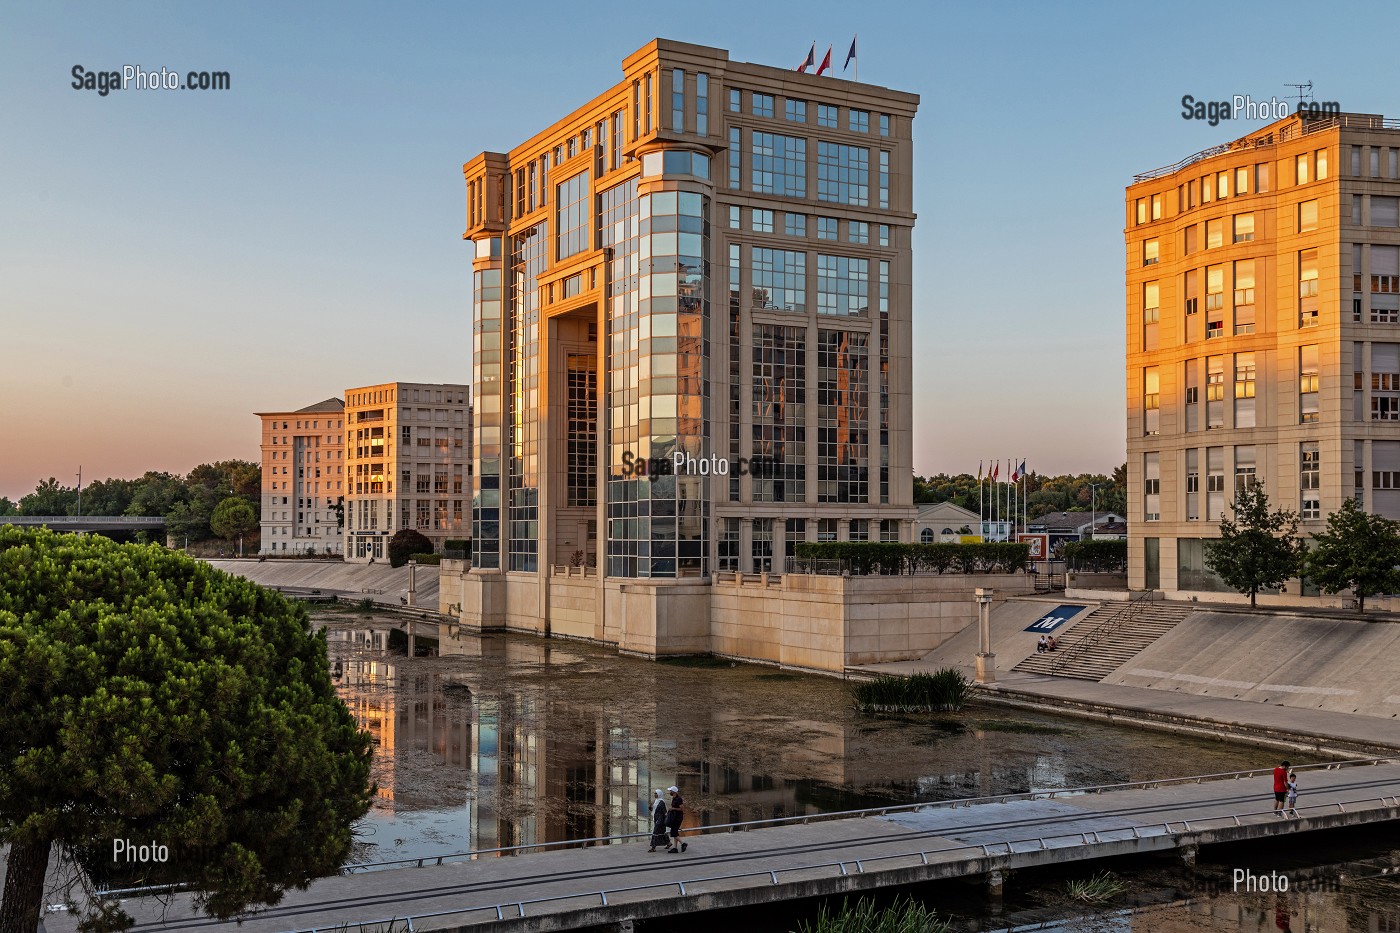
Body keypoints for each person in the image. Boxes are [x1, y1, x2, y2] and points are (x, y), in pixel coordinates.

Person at [665, 785, 688, 853]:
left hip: (678, 818)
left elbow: (682, 809)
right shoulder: (674, 798)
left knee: (673, 832)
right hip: (674, 817)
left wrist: (673, 808)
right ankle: (675, 848)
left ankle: (683, 843)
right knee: (675, 832)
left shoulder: (679, 799)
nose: (670, 792)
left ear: (674, 792)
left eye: (671, 791)